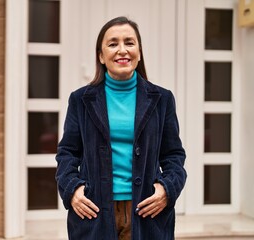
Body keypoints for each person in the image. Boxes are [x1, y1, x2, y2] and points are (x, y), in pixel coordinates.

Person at [55, 16, 187, 240]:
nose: (122, 50)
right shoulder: (80, 100)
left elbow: (173, 155)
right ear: (101, 56)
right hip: (94, 212)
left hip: (147, 211)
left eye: (129, 42)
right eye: (113, 43)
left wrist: (167, 189)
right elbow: (67, 153)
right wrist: (72, 190)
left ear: (139, 51)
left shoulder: (162, 99)